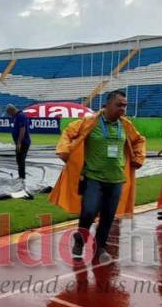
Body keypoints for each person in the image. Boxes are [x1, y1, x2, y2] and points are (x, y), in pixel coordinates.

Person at [50, 89, 146, 263]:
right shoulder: (90, 122)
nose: (123, 109)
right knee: (88, 212)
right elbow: (69, 132)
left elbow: (139, 140)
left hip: (116, 179)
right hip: (93, 178)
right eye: (119, 105)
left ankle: (100, 247)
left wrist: (138, 157)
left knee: (108, 217)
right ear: (107, 105)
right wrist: (64, 151)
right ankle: (80, 239)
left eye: (125, 106)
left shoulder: (125, 125)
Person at [5, 103, 32, 198]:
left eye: (9, 113)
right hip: (19, 142)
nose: (9, 115)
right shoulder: (16, 116)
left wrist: (19, 142)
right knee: (18, 159)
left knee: (21, 160)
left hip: (23, 142)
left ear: (12, 110)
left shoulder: (21, 116)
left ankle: (22, 178)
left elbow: (22, 129)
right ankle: (21, 176)